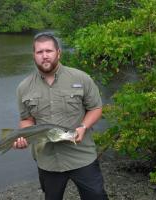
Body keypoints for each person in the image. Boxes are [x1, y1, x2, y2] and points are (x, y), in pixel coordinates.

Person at [13, 32, 108, 200]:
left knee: (97, 196)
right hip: (48, 161)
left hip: (81, 156)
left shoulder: (81, 78)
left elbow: (95, 108)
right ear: (34, 56)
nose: (44, 56)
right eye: (39, 52)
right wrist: (25, 136)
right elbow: (27, 119)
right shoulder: (23, 87)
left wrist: (83, 127)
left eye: (48, 51)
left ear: (58, 52)